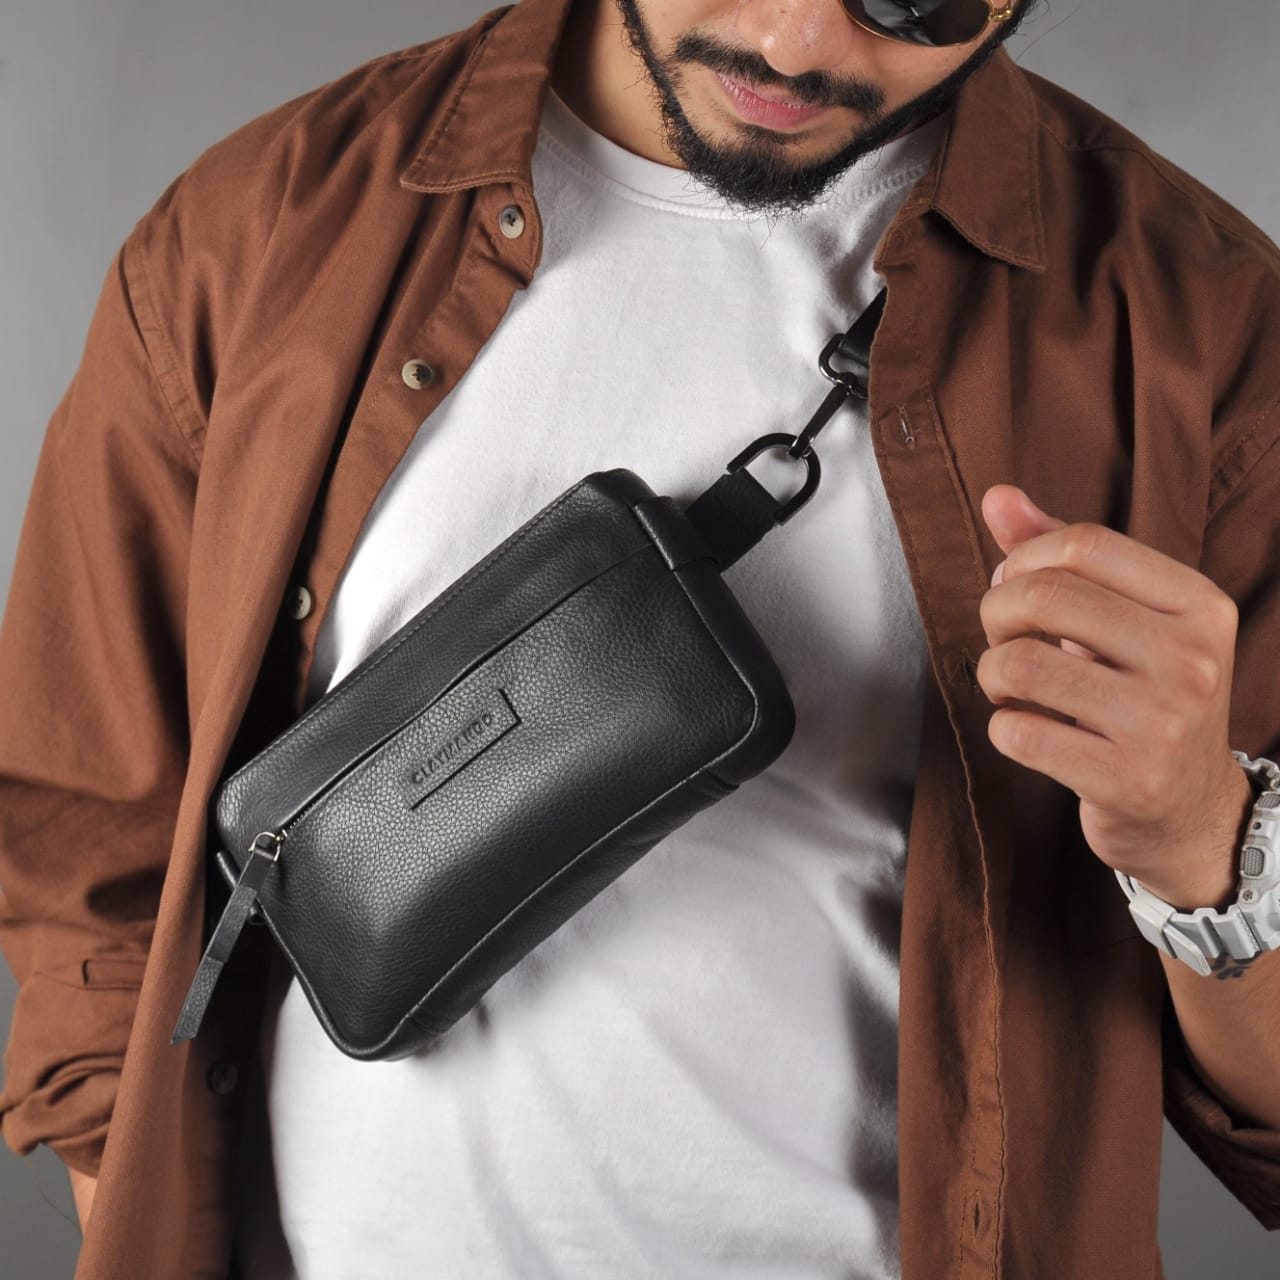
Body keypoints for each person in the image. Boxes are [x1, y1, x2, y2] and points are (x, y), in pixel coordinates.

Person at [2, 0, 1279, 1274]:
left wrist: (1197, 839)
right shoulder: (257, 229)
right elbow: (88, 869)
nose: (793, 43)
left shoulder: (1202, 333)